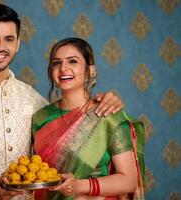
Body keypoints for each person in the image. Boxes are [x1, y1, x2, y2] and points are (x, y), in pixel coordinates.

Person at [0, 4, 124, 200]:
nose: (1, 47)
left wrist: (104, 102)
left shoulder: (34, 99)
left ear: (17, 43)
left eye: (9, 39)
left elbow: (69, 135)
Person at [32, 38, 145, 200]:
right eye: (56, 63)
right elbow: (34, 173)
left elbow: (129, 181)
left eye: (73, 61)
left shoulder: (108, 115)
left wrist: (79, 185)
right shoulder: (41, 118)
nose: (63, 68)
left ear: (89, 71)